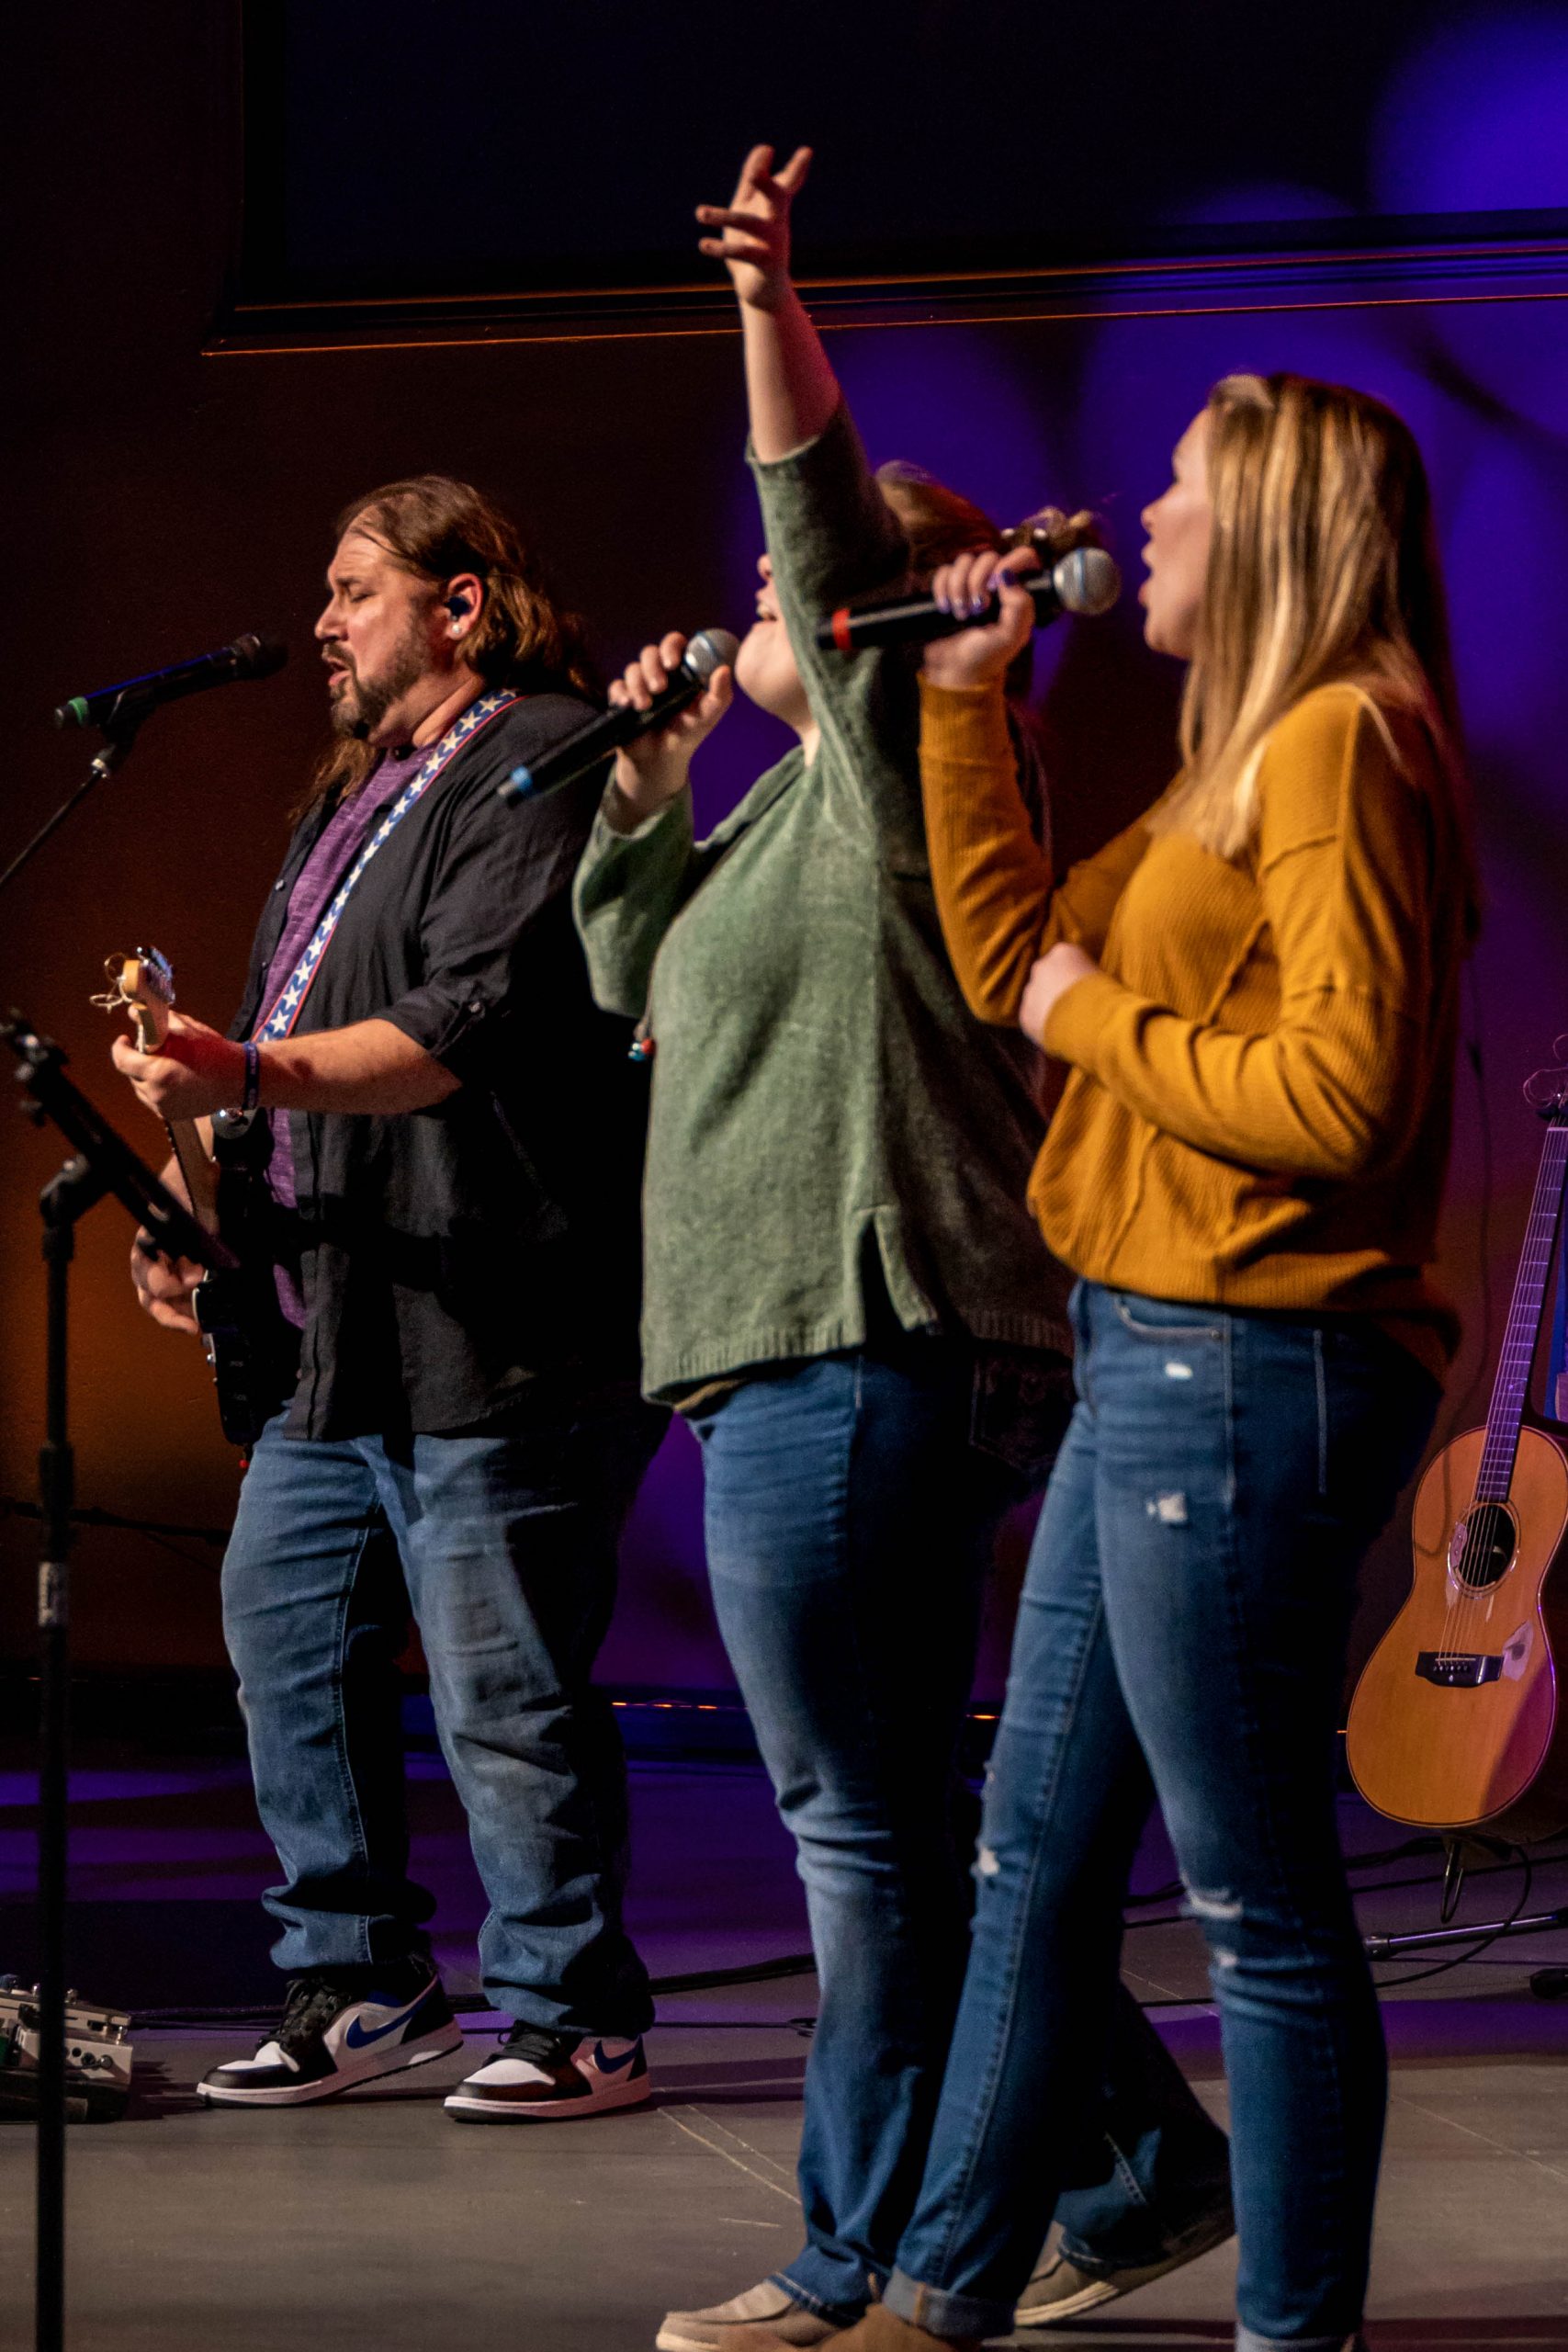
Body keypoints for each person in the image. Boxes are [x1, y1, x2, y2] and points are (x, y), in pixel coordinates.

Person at [571, 146, 1234, 2350]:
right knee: (907, 1825)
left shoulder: (895, 756)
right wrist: (649, 775)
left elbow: (819, 513)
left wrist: (766, 300)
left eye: (803, 581)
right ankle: (1138, 2164)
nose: (752, 590)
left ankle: (849, 2253)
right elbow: (622, 975)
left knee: (854, 1837)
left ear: (893, 607)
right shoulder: (776, 805)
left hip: (863, 1329)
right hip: (774, 1343)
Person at [779, 372, 1477, 2352]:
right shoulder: (1231, 759)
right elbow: (1010, 961)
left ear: (1263, 528)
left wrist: (1098, 1014)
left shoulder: (1343, 737)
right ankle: (937, 2291)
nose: (1136, 522)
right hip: (1143, 1342)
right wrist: (960, 699)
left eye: (1174, 492)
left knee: (1250, 1893)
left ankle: (1291, 2328)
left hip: (1256, 1356)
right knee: (1025, 1848)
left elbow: (1340, 1096)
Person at [112, 475, 667, 2120]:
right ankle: (359, 1975)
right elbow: (281, 1038)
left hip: (494, 1320)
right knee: (283, 1635)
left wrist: (242, 1066)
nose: (326, 623)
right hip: (327, 1323)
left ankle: (577, 2015)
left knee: (503, 1683)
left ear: (462, 603)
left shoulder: (543, 753)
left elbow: (459, 1027)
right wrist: (191, 1191)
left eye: (355, 589)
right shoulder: (358, 791)